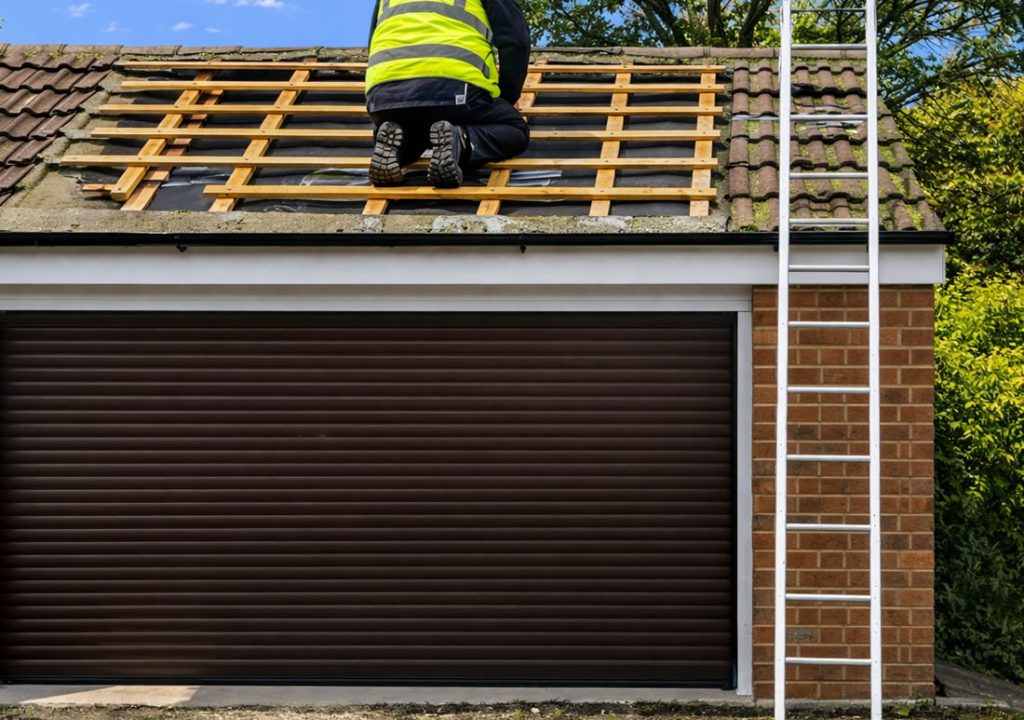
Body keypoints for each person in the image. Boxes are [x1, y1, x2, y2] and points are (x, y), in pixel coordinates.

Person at [364, 0, 531, 188]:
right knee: (515, 129)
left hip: (383, 96)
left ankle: (400, 149)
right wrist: (507, 97)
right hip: (454, 88)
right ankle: (462, 140)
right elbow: (516, 41)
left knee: (414, 126)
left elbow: (373, 44)